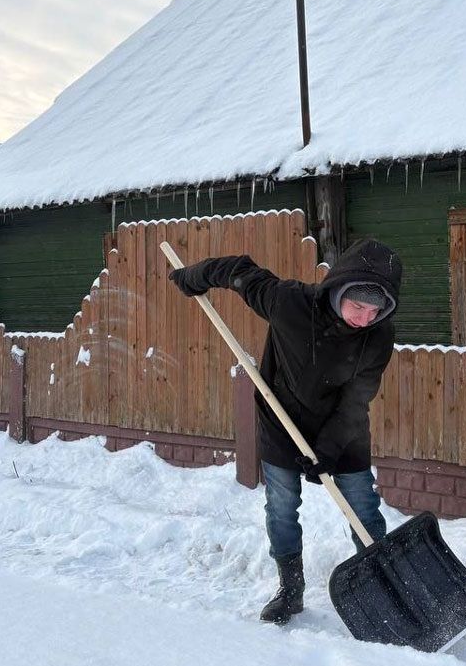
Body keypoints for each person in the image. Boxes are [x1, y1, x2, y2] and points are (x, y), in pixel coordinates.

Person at [169, 238, 402, 625]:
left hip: (343, 433)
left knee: (362, 508)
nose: (364, 318)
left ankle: (382, 584)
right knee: (281, 508)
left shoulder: (377, 336)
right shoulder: (290, 303)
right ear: (340, 291)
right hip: (282, 424)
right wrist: (194, 277)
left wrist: (327, 449)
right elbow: (240, 270)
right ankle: (290, 590)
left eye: (374, 311)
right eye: (357, 306)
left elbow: (357, 398)